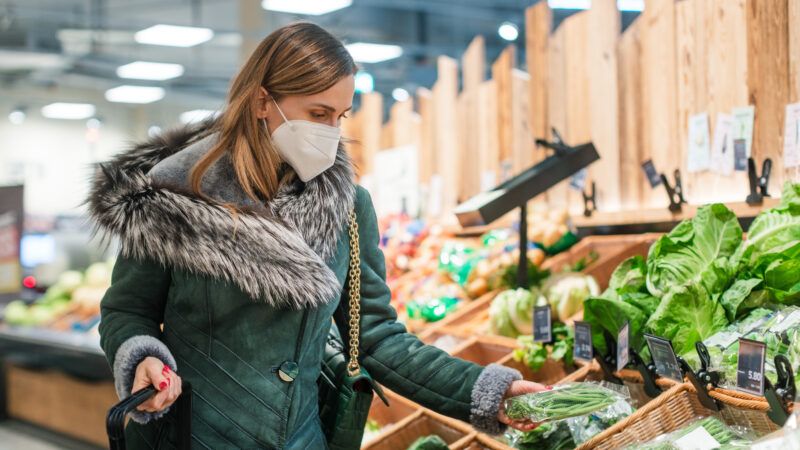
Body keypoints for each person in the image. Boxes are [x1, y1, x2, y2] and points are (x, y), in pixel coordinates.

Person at [88, 22, 544, 449]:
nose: (331, 133)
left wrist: (484, 390)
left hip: (301, 437)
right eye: (318, 113)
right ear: (263, 101)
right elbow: (127, 309)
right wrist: (141, 355)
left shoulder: (347, 207)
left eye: (341, 116)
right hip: (191, 435)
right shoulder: (172, 195)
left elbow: (377, 337)